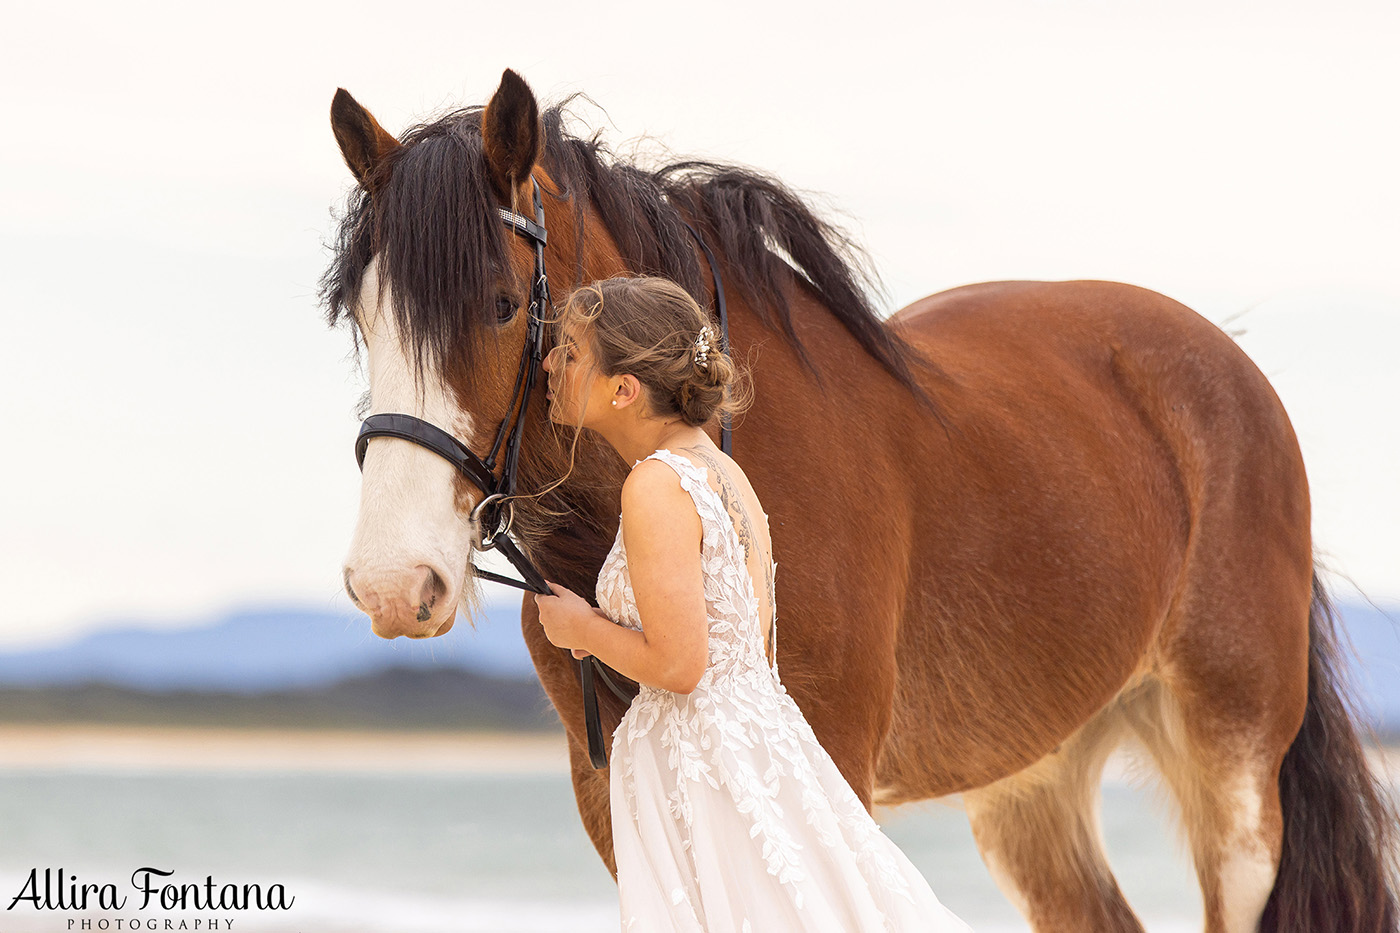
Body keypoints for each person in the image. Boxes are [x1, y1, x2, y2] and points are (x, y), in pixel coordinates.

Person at [533, 276, 972, 932]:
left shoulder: (655, 486)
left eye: (569, 353)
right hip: (759, 744)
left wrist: (584, 628)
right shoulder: (721, 469)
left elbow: (682, 665)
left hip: (706, 767)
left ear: (623, 390)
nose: (546, 363)